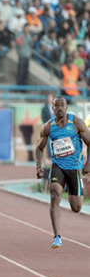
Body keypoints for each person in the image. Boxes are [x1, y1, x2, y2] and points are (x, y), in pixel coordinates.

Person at [34, 96, 90, 249]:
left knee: (76, 207)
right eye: (56, 106)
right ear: (52, 108)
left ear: (66, 107)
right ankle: (57, 236)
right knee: (54, 193)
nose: (59, 108)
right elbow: (39, 148)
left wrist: (88, 165)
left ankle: (70, 189)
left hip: (74, 168)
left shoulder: (76, 123)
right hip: (58, 166)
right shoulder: (48, 127)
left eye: (62, 106)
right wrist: (39, 167)